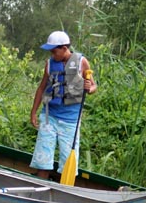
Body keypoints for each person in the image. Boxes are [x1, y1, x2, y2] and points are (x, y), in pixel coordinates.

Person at [29, 31, 97, 180]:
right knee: (43, 158)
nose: (53, 55)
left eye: (55, 51)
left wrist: (89, 88)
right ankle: (41, 184)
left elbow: (93, 86)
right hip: (49, 116)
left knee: (68, 161)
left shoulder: (81, 62)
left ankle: (63, 189)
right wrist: (33, 112)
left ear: (65, 48)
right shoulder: (49, 64)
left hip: (71, 120)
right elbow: (41, 88)